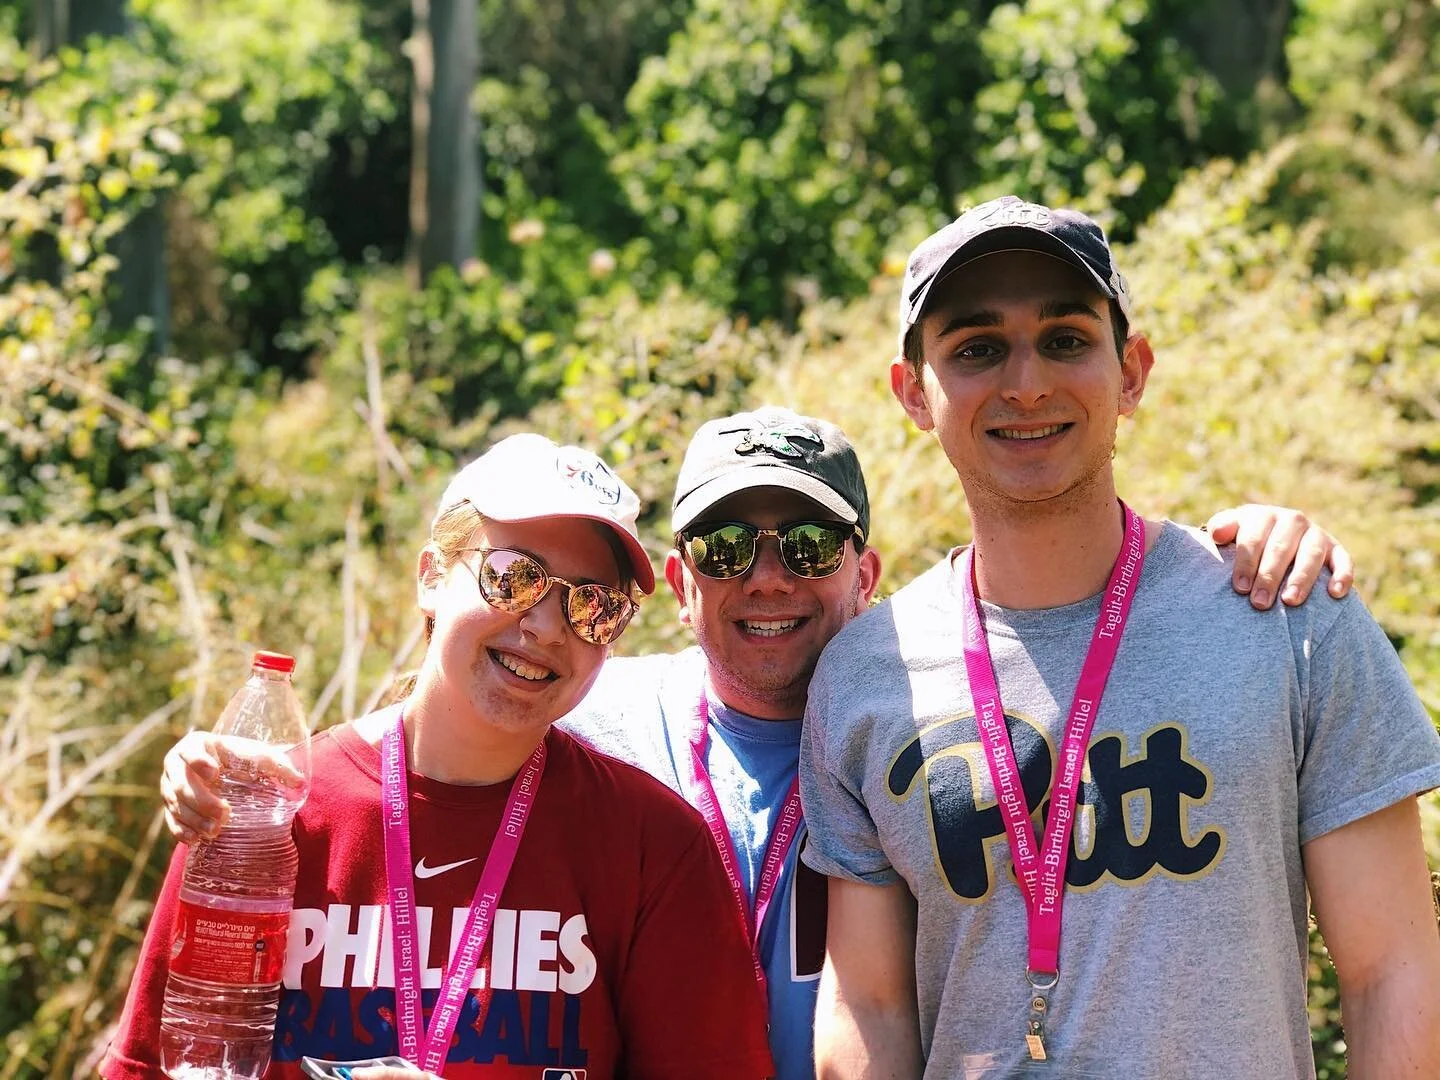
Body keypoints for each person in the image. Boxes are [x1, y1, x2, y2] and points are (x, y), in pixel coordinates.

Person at [158, 407, 1357, 1080]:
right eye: (727, 551)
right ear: (679, 583)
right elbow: (423, 754)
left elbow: (1104, 674)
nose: (768, 580)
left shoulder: (944, 719)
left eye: (808, 547)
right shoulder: (594, 711)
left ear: (867, 572)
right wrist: (227, 777)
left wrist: (1243, 548)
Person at [799, 196, 1440, 1078]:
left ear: (1131, 372)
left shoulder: (1288, 615)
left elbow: (1391, 970)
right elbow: (868, 1005)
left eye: (1065, 338)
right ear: (915, 392)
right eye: (977, 349)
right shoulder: (865, 677)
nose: (1026, 383)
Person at [102, 434, 776, 1080]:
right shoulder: (266, 812)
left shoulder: (652, 847)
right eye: (514, 578)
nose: (545, 626)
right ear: (431, 576)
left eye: (591, 606)